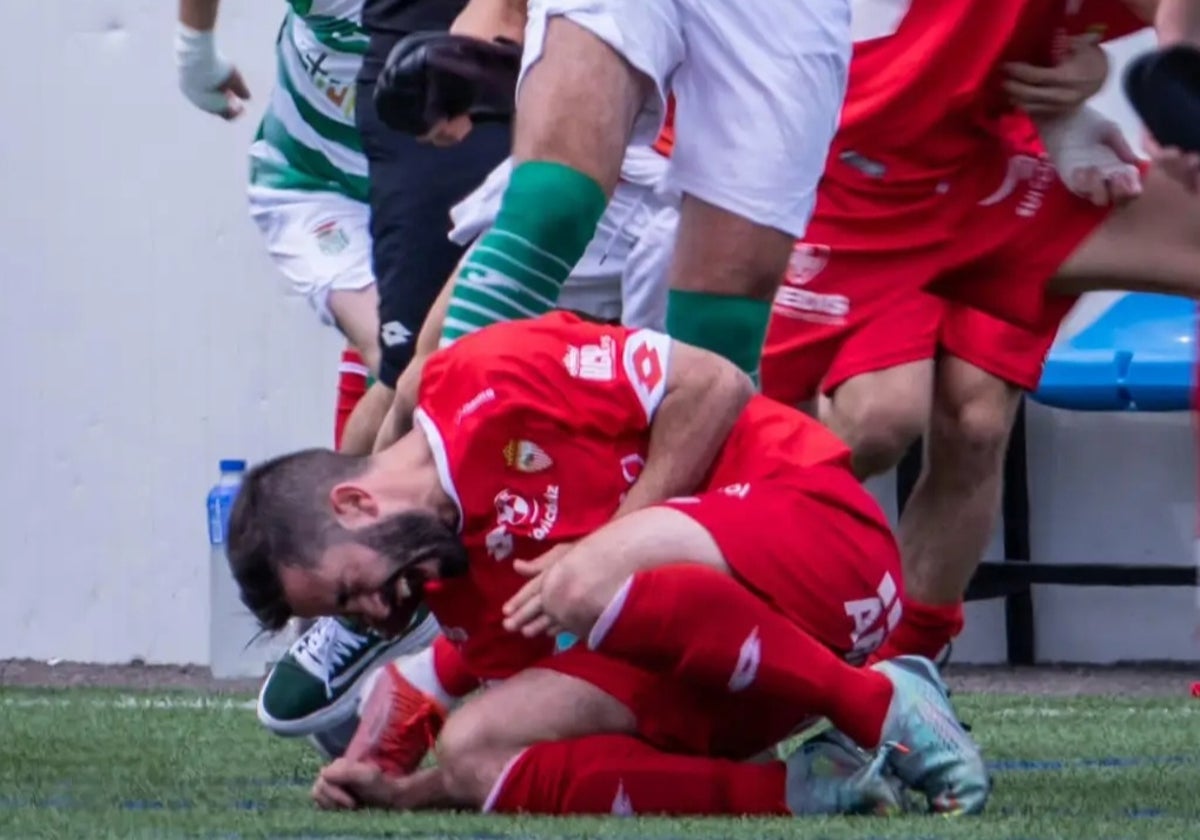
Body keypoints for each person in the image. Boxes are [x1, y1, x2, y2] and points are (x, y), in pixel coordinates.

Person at [224, 311, 990, 817]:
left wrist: (614, 539)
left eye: (350, 590)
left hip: (827, 548)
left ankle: (883, 706)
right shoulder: (453, 584)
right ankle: (806, 793)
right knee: (476, 746)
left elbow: (717, 382)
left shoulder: (483, 378)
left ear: (356, 505)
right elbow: (496, 685)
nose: (373, 613)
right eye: (348, 613)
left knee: (586, 578)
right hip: (755, 674)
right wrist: (407, 786)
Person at [760, 0, 1200, 663]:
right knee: (876, 423)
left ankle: (904, 681)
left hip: (1000, 153)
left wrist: (1102, 73)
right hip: (864, 168)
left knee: (975, 424)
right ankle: (716, 632)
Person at [175, 0, 441, 751]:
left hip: (440, 174)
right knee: (416, 353)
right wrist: (193, 47)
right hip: (321, 189)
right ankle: (363, 602)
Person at [383, 0, 852, 385]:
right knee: (549, 206)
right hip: (617, 173)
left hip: (780, 18)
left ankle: (683, 500)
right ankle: (424, 467)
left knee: (722, 326)